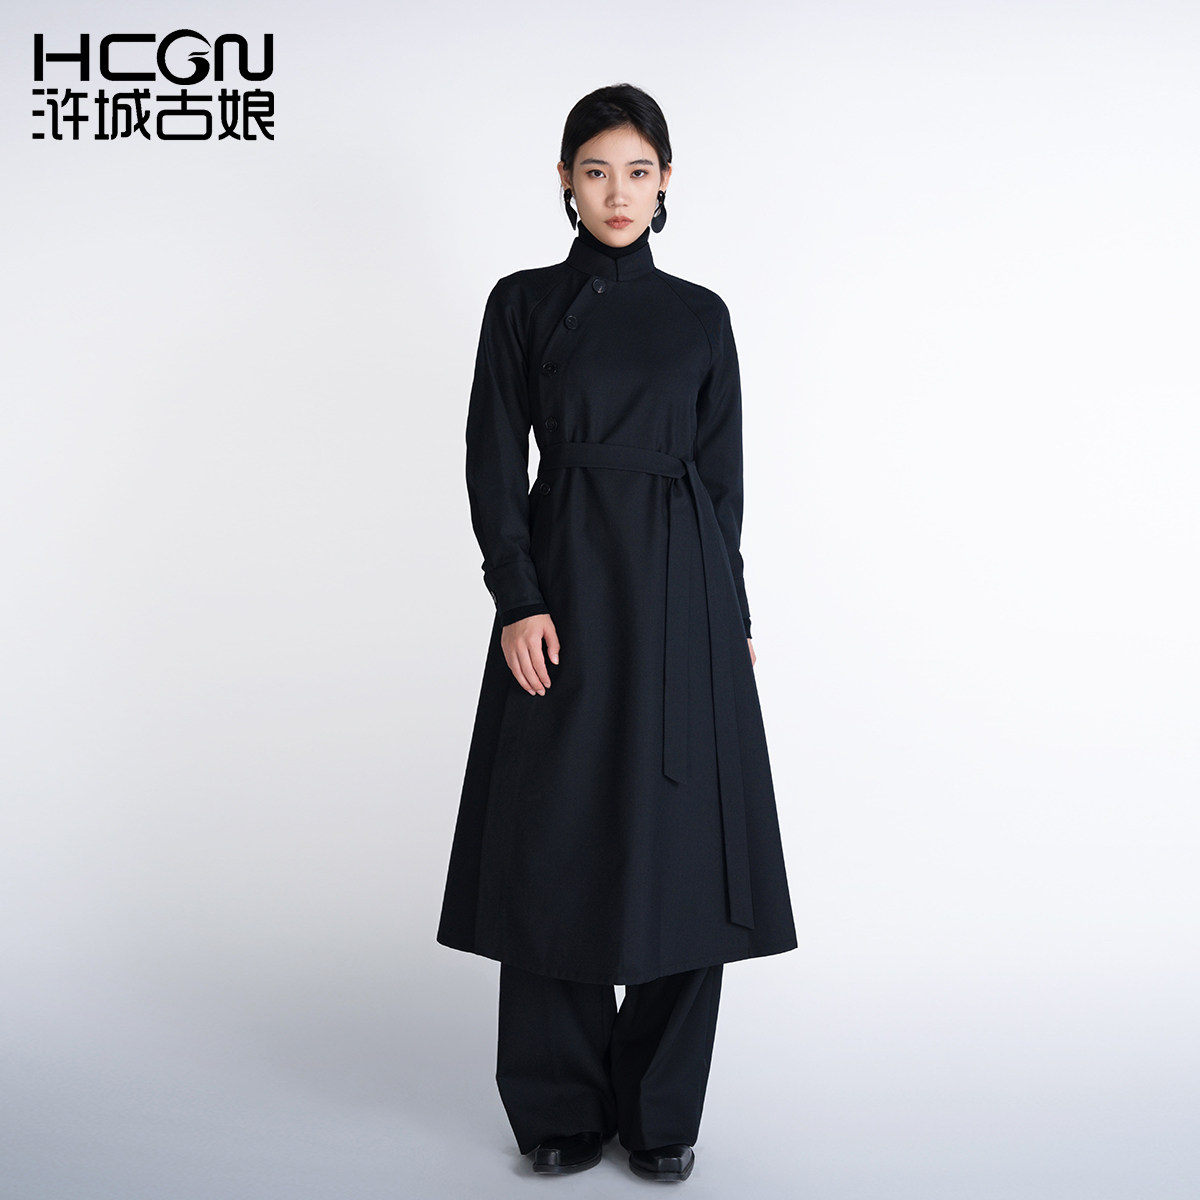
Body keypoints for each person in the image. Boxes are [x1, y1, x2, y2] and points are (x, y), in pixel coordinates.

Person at [436, 82, 798, 1181]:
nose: (618, 192)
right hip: (567, 589)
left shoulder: (701, 315)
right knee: (555, 837)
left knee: (686, 845)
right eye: (596, 171)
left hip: (686, 600)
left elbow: (723, 483)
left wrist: (733, 616)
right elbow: (492, 459)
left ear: (667, 180)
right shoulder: (522, 304)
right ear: (565, 181)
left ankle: (660, 1113)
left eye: (638, 171)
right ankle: (558, 1107)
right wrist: (517, 597)